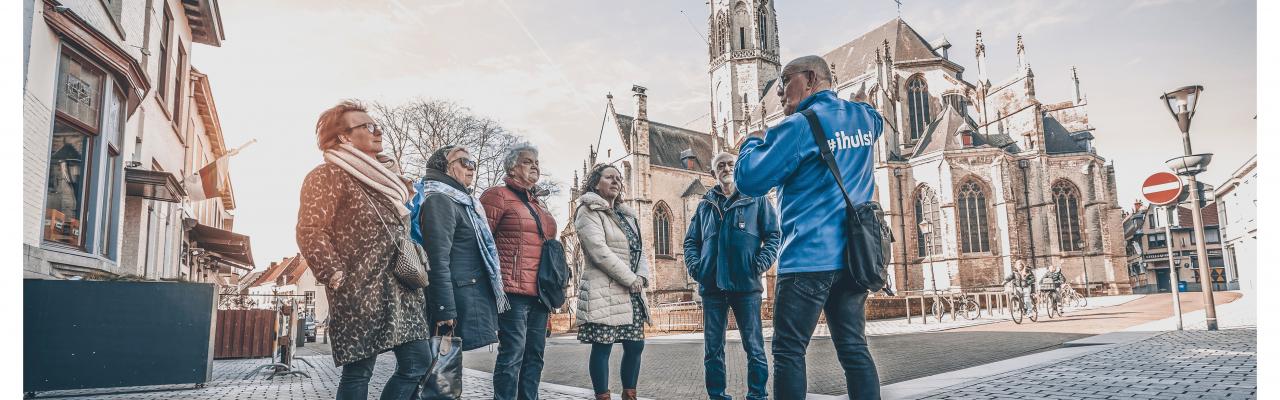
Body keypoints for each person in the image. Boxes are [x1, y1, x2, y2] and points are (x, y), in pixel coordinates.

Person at [734, 56, 884, 400]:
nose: (780, 93)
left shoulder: (799, 127)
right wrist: (861, 105)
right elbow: (877, 121)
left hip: (807, 260)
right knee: (854, 349)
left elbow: (749, 180)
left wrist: (752, 143)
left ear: (811, 78)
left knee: (789, 352)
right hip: (854, 260)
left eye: (785, 81)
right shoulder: (863, 117)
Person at [296, 100, 431, 400]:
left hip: (401, 286)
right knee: (359, 372)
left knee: (418, 364)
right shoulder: (328, 175)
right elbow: (310, 229)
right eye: (367, 126)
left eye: (377, 125)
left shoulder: (388, 178)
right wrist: (334, 274)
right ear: (344, 136)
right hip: (360, 288)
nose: (377, 130)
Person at [684, 152, 781, 400]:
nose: (726, 168)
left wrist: (759, 263)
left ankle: (757, 395)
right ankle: (717, 396)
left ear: (738, 169)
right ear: (713, 173)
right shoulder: (705, 204)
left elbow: (773, 235)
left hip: (746, 285)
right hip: (712, 286)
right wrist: (697, 268)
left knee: (755, 347)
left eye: (730, 164)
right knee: (713, 350)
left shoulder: (756, 198)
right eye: (720, 166)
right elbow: (690, 242)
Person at [480, 143, 557, 400]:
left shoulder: (538, 204)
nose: (535, 165)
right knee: (512, 354)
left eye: (536, 162)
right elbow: (480, 242)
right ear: (512, 167)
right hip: (512, 290)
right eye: (527, 161)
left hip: (540, 291)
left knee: (535, 356)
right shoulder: (496, 196)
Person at [573, 163, 652, 400]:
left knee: (635, 345)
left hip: (632, 290)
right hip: (604, 289)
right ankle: (603, 396)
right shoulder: (588, 210)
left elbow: (639, 250)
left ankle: (630, 395)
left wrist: (642, 277)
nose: (616, 181)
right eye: (610, 177)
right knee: (603, 346)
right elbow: (599, 251)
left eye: (619, 178)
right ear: (596, 182)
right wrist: (630, 279)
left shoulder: (627, 215)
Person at [419, 145, 508, 353]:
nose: (471, 168)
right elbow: (437, 259)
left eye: (473, 163)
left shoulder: (464, 203)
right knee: (437, 373)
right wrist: (444, 310)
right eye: (464, 162)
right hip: (454, 302)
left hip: (464, 297)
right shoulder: (440, 200)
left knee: (446, 372)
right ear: (445, 168)